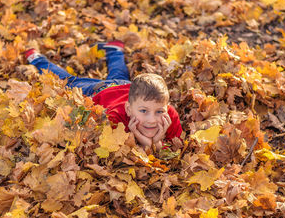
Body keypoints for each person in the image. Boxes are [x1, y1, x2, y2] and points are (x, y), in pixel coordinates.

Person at [24, 41, 182, 150]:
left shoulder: (170, 116)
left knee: (119, 73)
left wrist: (155, 142)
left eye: (159, 111)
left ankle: (114, 50)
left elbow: (177, 147)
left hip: (126, 86)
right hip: (101, 90)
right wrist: (144, 140)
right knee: (69, 82)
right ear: (128, 109)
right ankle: (38, 60)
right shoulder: (114, 118)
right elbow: (111, 147)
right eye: (143, 111)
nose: (152, 120)